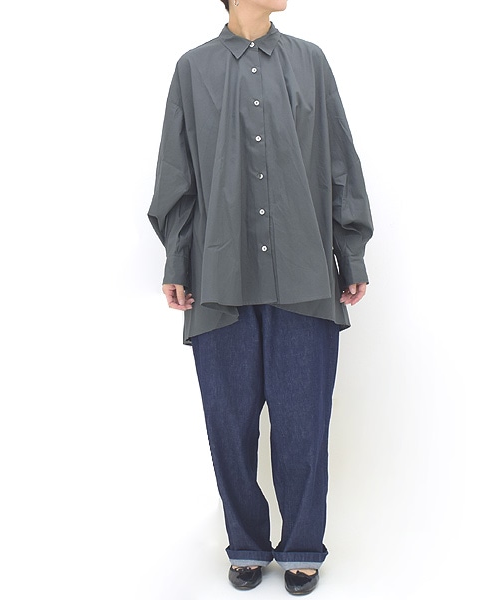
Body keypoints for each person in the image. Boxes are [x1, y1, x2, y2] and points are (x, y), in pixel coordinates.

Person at [148, 0, 373, 595]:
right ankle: (245, 542)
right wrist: (177, 260)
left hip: (305, 275)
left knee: (304, 423)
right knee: (229, 423)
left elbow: (340, 163)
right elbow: (177, 173)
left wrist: (349, 253)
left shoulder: (310, 62)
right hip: (218, 276)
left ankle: (302, 545)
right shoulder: (192, 69)